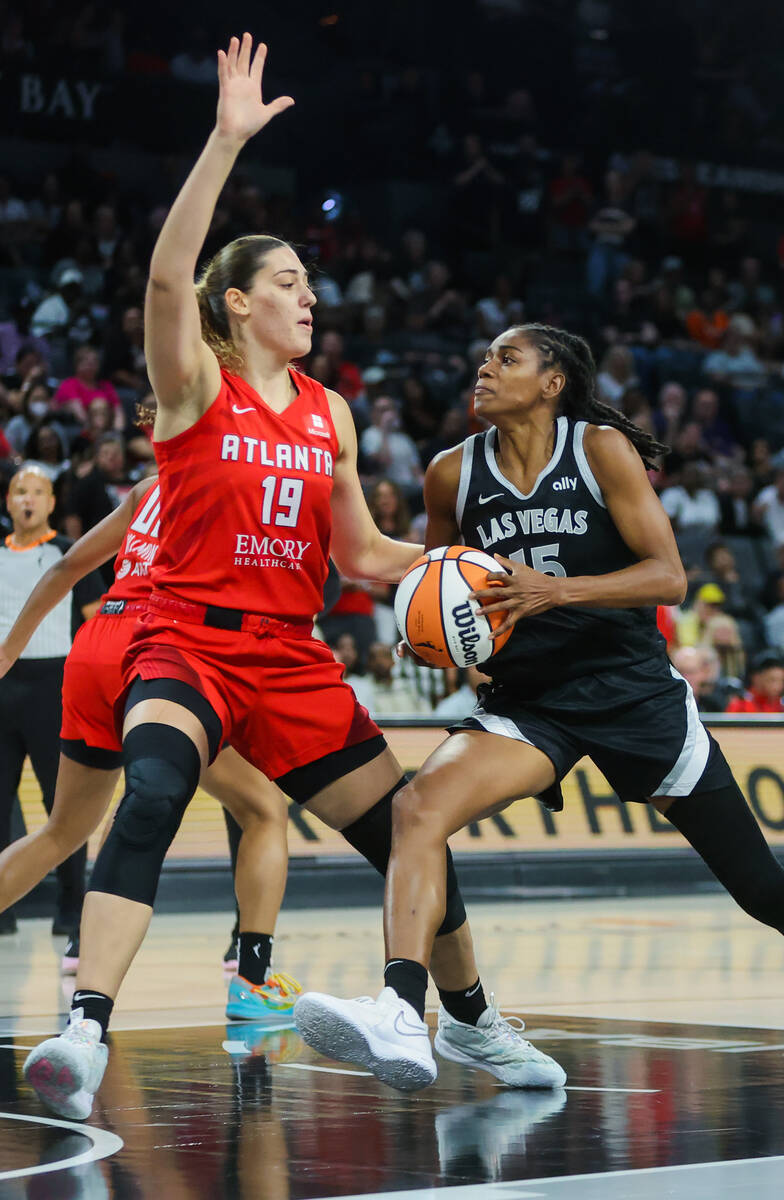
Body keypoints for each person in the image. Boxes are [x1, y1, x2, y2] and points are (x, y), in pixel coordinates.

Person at [23, 36, 561, 1122]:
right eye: (286, 283)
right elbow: (168, 274)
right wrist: (225, 142)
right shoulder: (191, 385)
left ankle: (472, 1018)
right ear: (237, 307)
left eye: (310, 284)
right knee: (158, 795)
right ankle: (84, 1027)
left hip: (289, 658)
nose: (308, 298)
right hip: (181, 639)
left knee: (411, 829)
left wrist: (467, 567)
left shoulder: (331, 413)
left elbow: (361, 554)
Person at [294, 322, 784, 1102]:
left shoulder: (599, 449)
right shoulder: (449, 475)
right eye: (486, 356)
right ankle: (406, 1008)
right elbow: (441, 583)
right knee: (416, 808)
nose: (485, 366)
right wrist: (432, 636)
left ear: (552, 381)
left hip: (633, 693)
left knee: (760, 886)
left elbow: (669, 576)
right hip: (529, 702)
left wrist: (556, 590)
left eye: (508, 358)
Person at [0, 470, 294, 991]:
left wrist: (6, 651)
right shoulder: (246, 480)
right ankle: (253, 984)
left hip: (95, 646)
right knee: (263, 810)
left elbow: (69, 565)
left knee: (62, 831)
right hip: (159, 646)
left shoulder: (147, 485)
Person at [0, 466, 104, 941]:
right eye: (20, 491)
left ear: (51, 503)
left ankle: (70, 905)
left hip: (54, 685)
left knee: (59, 804)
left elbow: (95, 619)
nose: (28, 499)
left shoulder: (68, 553)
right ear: (7, 501)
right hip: (3, 684)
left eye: (37, 492)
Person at [725, 650, 784, 714]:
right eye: (772, 680)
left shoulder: (781, 705)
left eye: (782, 680)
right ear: (756, 678)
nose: (779, 686)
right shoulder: (741, 705)